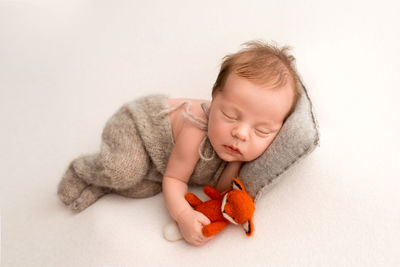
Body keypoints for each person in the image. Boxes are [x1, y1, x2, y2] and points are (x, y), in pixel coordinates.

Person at [57, 40, 301, 246]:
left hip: (161, 157)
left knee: (143, 188)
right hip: (139, 126)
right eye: (230, 116)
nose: (241, 133)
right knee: (125, 171)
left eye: (262, 130)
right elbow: (174, 179)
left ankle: (103, 184)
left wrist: (236, 164)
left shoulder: (240, 147)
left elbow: (223, 189)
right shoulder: (197, 128)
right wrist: (184, 216)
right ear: (215, 98)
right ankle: (83, 170)